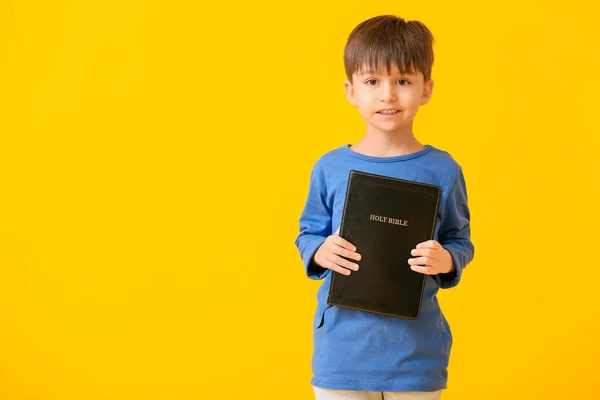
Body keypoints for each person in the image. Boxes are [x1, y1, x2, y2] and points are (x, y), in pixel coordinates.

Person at [294, 15, 475, 400]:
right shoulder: (330, 167)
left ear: (426, 89)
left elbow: (460, 239)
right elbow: (308, 233)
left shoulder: (443, 170)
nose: (388, 95)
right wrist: (320, 250)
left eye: (403, 81)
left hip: (416, 355)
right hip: (341, 353)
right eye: (372, 81)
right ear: (351, 90)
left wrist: (446, 259)